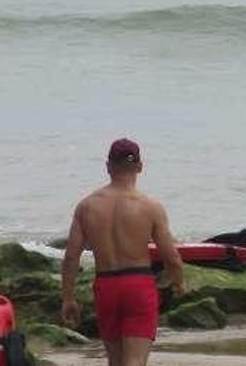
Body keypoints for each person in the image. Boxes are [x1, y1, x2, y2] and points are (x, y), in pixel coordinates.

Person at [60, 138, 185, 366]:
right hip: (138, 285)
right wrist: (178, 284)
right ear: (140, 166)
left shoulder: (87, 206)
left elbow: (71, 256)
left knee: (115, 362)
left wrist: (68, 297)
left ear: (108, 166)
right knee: (135, 361)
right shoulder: (150, 207)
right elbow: (172, 257)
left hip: (106, 285)